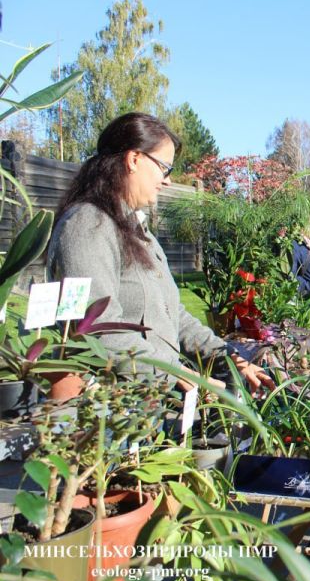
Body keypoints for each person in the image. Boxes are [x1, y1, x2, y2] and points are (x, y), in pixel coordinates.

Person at [47, 112, 272, 392]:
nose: (167, 181)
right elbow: (96, 328)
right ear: (134, 160)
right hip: (116, 412)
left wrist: (230, 359)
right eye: (165, 168)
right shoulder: (88, 226)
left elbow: (173, 315)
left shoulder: (139, 232)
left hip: (153, 403)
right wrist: (174, 373)